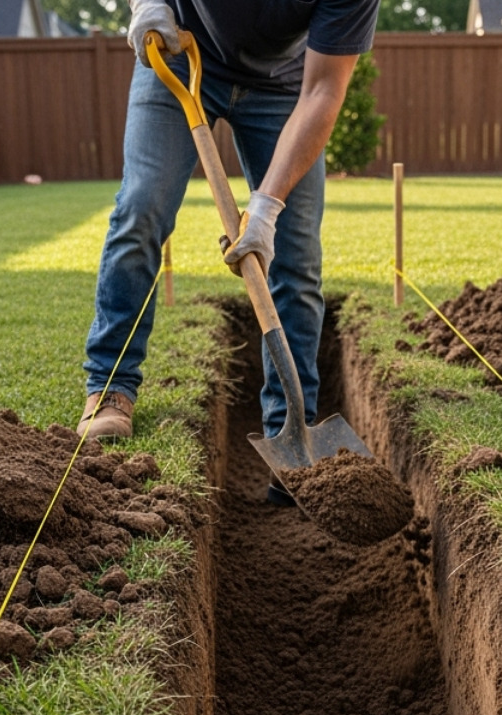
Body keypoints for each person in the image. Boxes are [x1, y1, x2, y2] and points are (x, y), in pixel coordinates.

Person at [79, 0, 379, 505]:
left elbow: (325, 87)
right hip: (180, 51)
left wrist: (266, 208)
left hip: (287, 87)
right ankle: (110, 386)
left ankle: (292, 429)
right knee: (141, 207)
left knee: (297, 258)